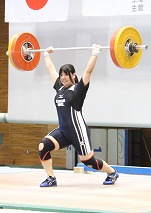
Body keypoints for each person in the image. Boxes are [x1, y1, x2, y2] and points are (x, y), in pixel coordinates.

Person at [38, 45, 119, 187]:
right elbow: (51, 69)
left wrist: (95, 53)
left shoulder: (78, 90)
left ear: (74, 75)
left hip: (78, 132)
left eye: (66, 74)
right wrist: (46, 54)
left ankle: (112, 172)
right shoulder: (60, 88)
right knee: (43, 146)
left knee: (89, 162)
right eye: (62, 74)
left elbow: (88, 70)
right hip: (63, 131)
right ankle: (51, 178)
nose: (63, 77)